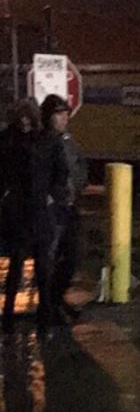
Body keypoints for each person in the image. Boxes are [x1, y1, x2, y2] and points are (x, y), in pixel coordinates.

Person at [39, 94, 87, 324]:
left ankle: (56, 299)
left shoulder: (68, 141)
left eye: (65, 113)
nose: (64, 118)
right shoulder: (44, 142)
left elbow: (80, 166)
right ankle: (50, 306)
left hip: (70, 207)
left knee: (74, 256)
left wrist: (77, 188)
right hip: (52, 210)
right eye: (59, 114)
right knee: (51, 259)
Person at [0, 100, 43, 333]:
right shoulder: (18, 140)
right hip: (19, 209)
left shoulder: (17, 139)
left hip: (27, 207)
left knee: (37, 259)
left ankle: (44, 306)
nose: (25, 123)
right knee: (21, 258)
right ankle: (9, 311)